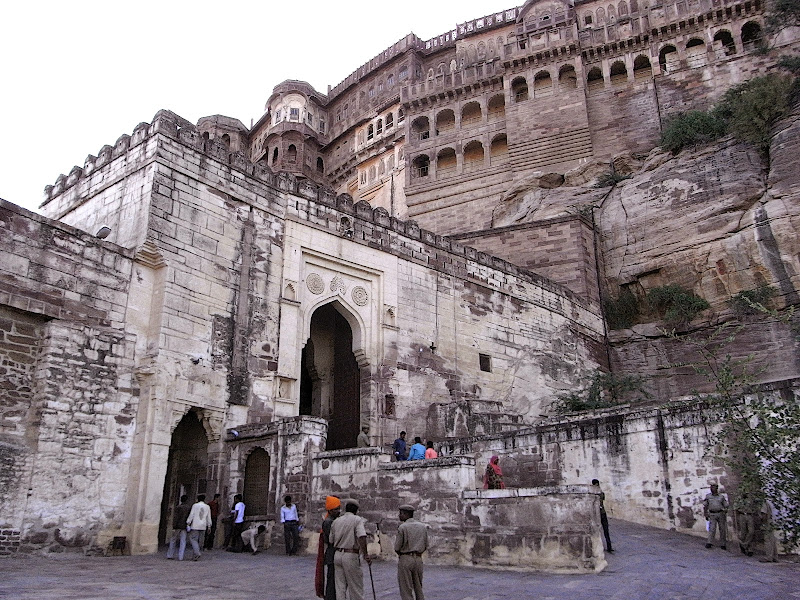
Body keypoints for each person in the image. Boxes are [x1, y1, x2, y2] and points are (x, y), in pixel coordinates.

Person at [329, 499, 371, 600]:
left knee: (340, 587)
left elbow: (331, 540)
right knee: (355, 587)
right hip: (350, 555)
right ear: (356, 510)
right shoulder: (357, 520)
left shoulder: (336, 521)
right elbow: (362, 536)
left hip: (338, 554)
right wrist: (365, 554)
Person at [395, 504, 429, 600]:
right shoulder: (422, 527)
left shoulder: (402, 527)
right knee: (418, 587)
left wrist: (402, 555)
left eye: (401, 514)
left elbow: (397, 547)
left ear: (406, 514)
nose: (399, 516)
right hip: (418, 559)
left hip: (405, 558)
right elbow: (426, 545)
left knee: (406, 589)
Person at [316, 496, 341, 600]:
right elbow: (331, 539)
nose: (339, 511)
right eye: (336, 509)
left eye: (339, 508)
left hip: (334, 552)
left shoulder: (333, 520)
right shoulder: (328, 522)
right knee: (331, 580)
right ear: (330, 510)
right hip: (332, 553)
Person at [186, 493, 212, 561]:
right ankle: (195, 556)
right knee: (200, 541)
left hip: (195, 525)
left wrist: (188, 522)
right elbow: (208, 517)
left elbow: (192, 514)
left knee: (193, 539)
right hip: (203, 525)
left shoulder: (195, 506)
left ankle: (197, 553)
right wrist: (209, 526)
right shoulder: (207, 507)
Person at [703, 483, 728, 549]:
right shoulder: (708, 496)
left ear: (716, 489)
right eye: (711, 488)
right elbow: (705, 505)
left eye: (713, 488)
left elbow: (726, 505)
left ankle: (723, 544)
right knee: (712, 528)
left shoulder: (721, 497)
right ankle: (709, 542)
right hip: (712, 514)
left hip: (720, 513)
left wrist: (725, 510)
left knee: (722, 529)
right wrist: (705, 514)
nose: (712, 489)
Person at [166, 494, 191, 560]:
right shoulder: (188, 508)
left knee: (173, 540)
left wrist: (174, 526)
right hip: (184, 526)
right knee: (183, 541)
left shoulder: (178, 507)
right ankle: (181, 556)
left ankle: (170, 555)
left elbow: (176, 517)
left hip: (177, 526)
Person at [591, 479, 614, 553]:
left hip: (601, 513)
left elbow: (602, 498)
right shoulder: (597, 493)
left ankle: (608, 546)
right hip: (599, 513)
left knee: (604, 530)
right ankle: (605, 547)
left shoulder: (597, 493)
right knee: (601, 530)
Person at [734, 492, 757, 556]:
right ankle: (747, 549)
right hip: (742, 515)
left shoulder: (750, 499)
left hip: (749, 515)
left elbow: (754, 507)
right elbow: (735, 509)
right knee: (743, 532)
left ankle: (744, 544)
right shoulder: (738, 499)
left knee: (751, 531)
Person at [759, 498, 779, 562]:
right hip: (773, 521)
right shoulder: (772, 501)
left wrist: (763, 523)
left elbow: (764, 514)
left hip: (767, 522)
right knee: (772, 539)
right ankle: (775, 557)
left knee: (767, 540)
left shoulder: (764, 503)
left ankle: (768, 557)